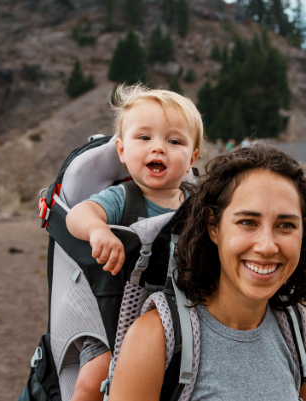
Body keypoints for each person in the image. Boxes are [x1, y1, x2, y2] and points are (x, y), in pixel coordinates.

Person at [109, 145, 306, 401]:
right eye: (247, 222)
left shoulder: (299, 329)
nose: (267, 246)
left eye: (286, 225)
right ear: (213, 226)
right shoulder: (154, 338)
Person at [65, 84, 203, 401]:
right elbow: (78, 215)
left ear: (192, 157)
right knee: (93, 380)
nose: (159, 148)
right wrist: (98, 230)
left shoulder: (199, 204)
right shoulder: (122, 198)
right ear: (122, 151)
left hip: (182, 316)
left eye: (174, 141)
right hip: (115, 320)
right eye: (144, 137)